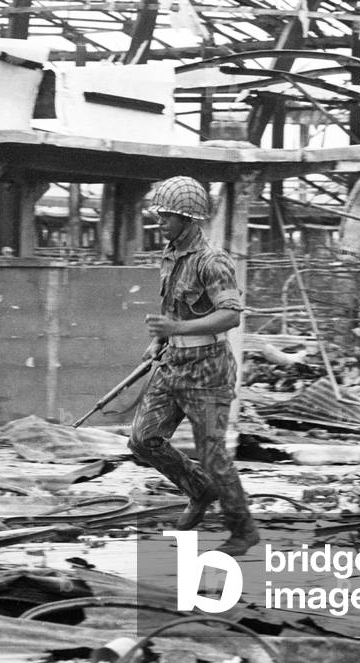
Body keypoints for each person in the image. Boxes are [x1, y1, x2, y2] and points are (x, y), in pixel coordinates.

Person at [127, 176, 260, 556]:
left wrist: (177, 329)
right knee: (142, 440)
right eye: (160, 214)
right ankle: (200, 490)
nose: (161, 222)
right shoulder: (169, 255)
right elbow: (174, 309)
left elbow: (230, 316)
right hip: (173, 364)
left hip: (208, 370)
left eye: (169, 216)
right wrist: (159, 341)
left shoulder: (212, 261)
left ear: (191, 220)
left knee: (213, 453)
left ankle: (243, 529)